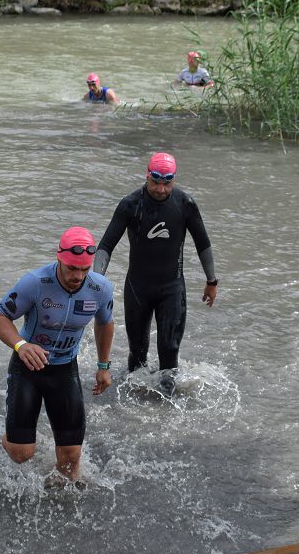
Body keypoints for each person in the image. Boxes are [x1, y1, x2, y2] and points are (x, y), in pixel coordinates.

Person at [0, 226, 115, 482]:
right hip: (29, 367)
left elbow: (105, 323)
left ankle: (67, 504)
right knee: (22, 453)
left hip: (64, 368)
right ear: (59, 259)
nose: (78, 276)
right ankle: (9, 439)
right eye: (72, 268)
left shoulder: (99, 288)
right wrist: (20, 345)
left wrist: (104, 366)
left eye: (84, 269)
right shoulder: (35, 283)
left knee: (70, 459)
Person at [93, 152, 217, 394]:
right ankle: (131, 407)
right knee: (137, 352)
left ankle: (166, 409)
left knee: (169, 351)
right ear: (147, 176)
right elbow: (106, 245)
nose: (161, 189)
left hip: (172, 289)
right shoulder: (130, 205)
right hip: (138, 288)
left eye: (167, 183)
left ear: (174, 180)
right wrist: (96, 282)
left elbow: (203, 243)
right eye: (155, 181)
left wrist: (211, 281)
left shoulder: (184, 204)